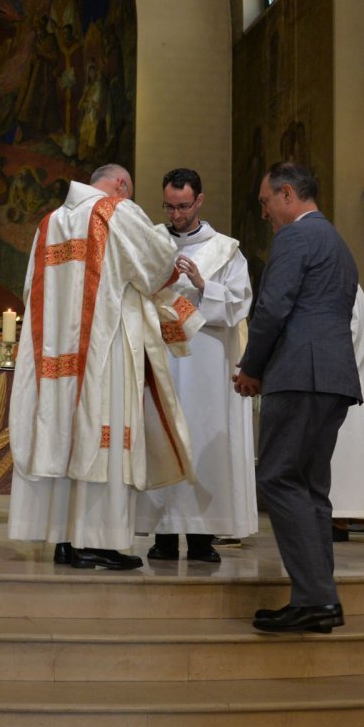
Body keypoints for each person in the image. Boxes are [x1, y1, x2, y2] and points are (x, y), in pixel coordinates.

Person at [8, 164, 200, 571]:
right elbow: (158, 263)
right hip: (104, 350)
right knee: (104, 442)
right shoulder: (116, 211)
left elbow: (29, 288)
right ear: (121, 185)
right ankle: (97, 541)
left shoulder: (49, 224)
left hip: (55, 363)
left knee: (64, 438)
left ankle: (63, 537)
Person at [234, 162, 360, 634]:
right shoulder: (338, 244)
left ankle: (316, 598)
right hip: (332, 378)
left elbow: (272, 308)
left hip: (299, 376)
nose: (266, 214)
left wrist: (251, 368)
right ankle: (319, 598)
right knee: (309, 488)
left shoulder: (294, 238)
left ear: (287, 194)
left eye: (266, 203)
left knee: (277, 477)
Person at [136, 168, 256, 563]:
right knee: (163, 434)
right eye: (169, 206)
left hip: (207, 360)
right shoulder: (149, 241)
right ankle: (164, 536)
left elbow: (241, 302)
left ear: (199, 201)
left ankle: (202, 538)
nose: (176, 215)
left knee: (203, 438)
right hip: (162, 356)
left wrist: (206, 285)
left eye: (184, 206)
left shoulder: (226, 249)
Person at [330, 286, 364, 539]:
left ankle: (337, 519)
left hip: (338, 382)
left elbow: (352, 332)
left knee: (342, 452)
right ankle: (330, 518)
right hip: (333, 381)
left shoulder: (348, 286)